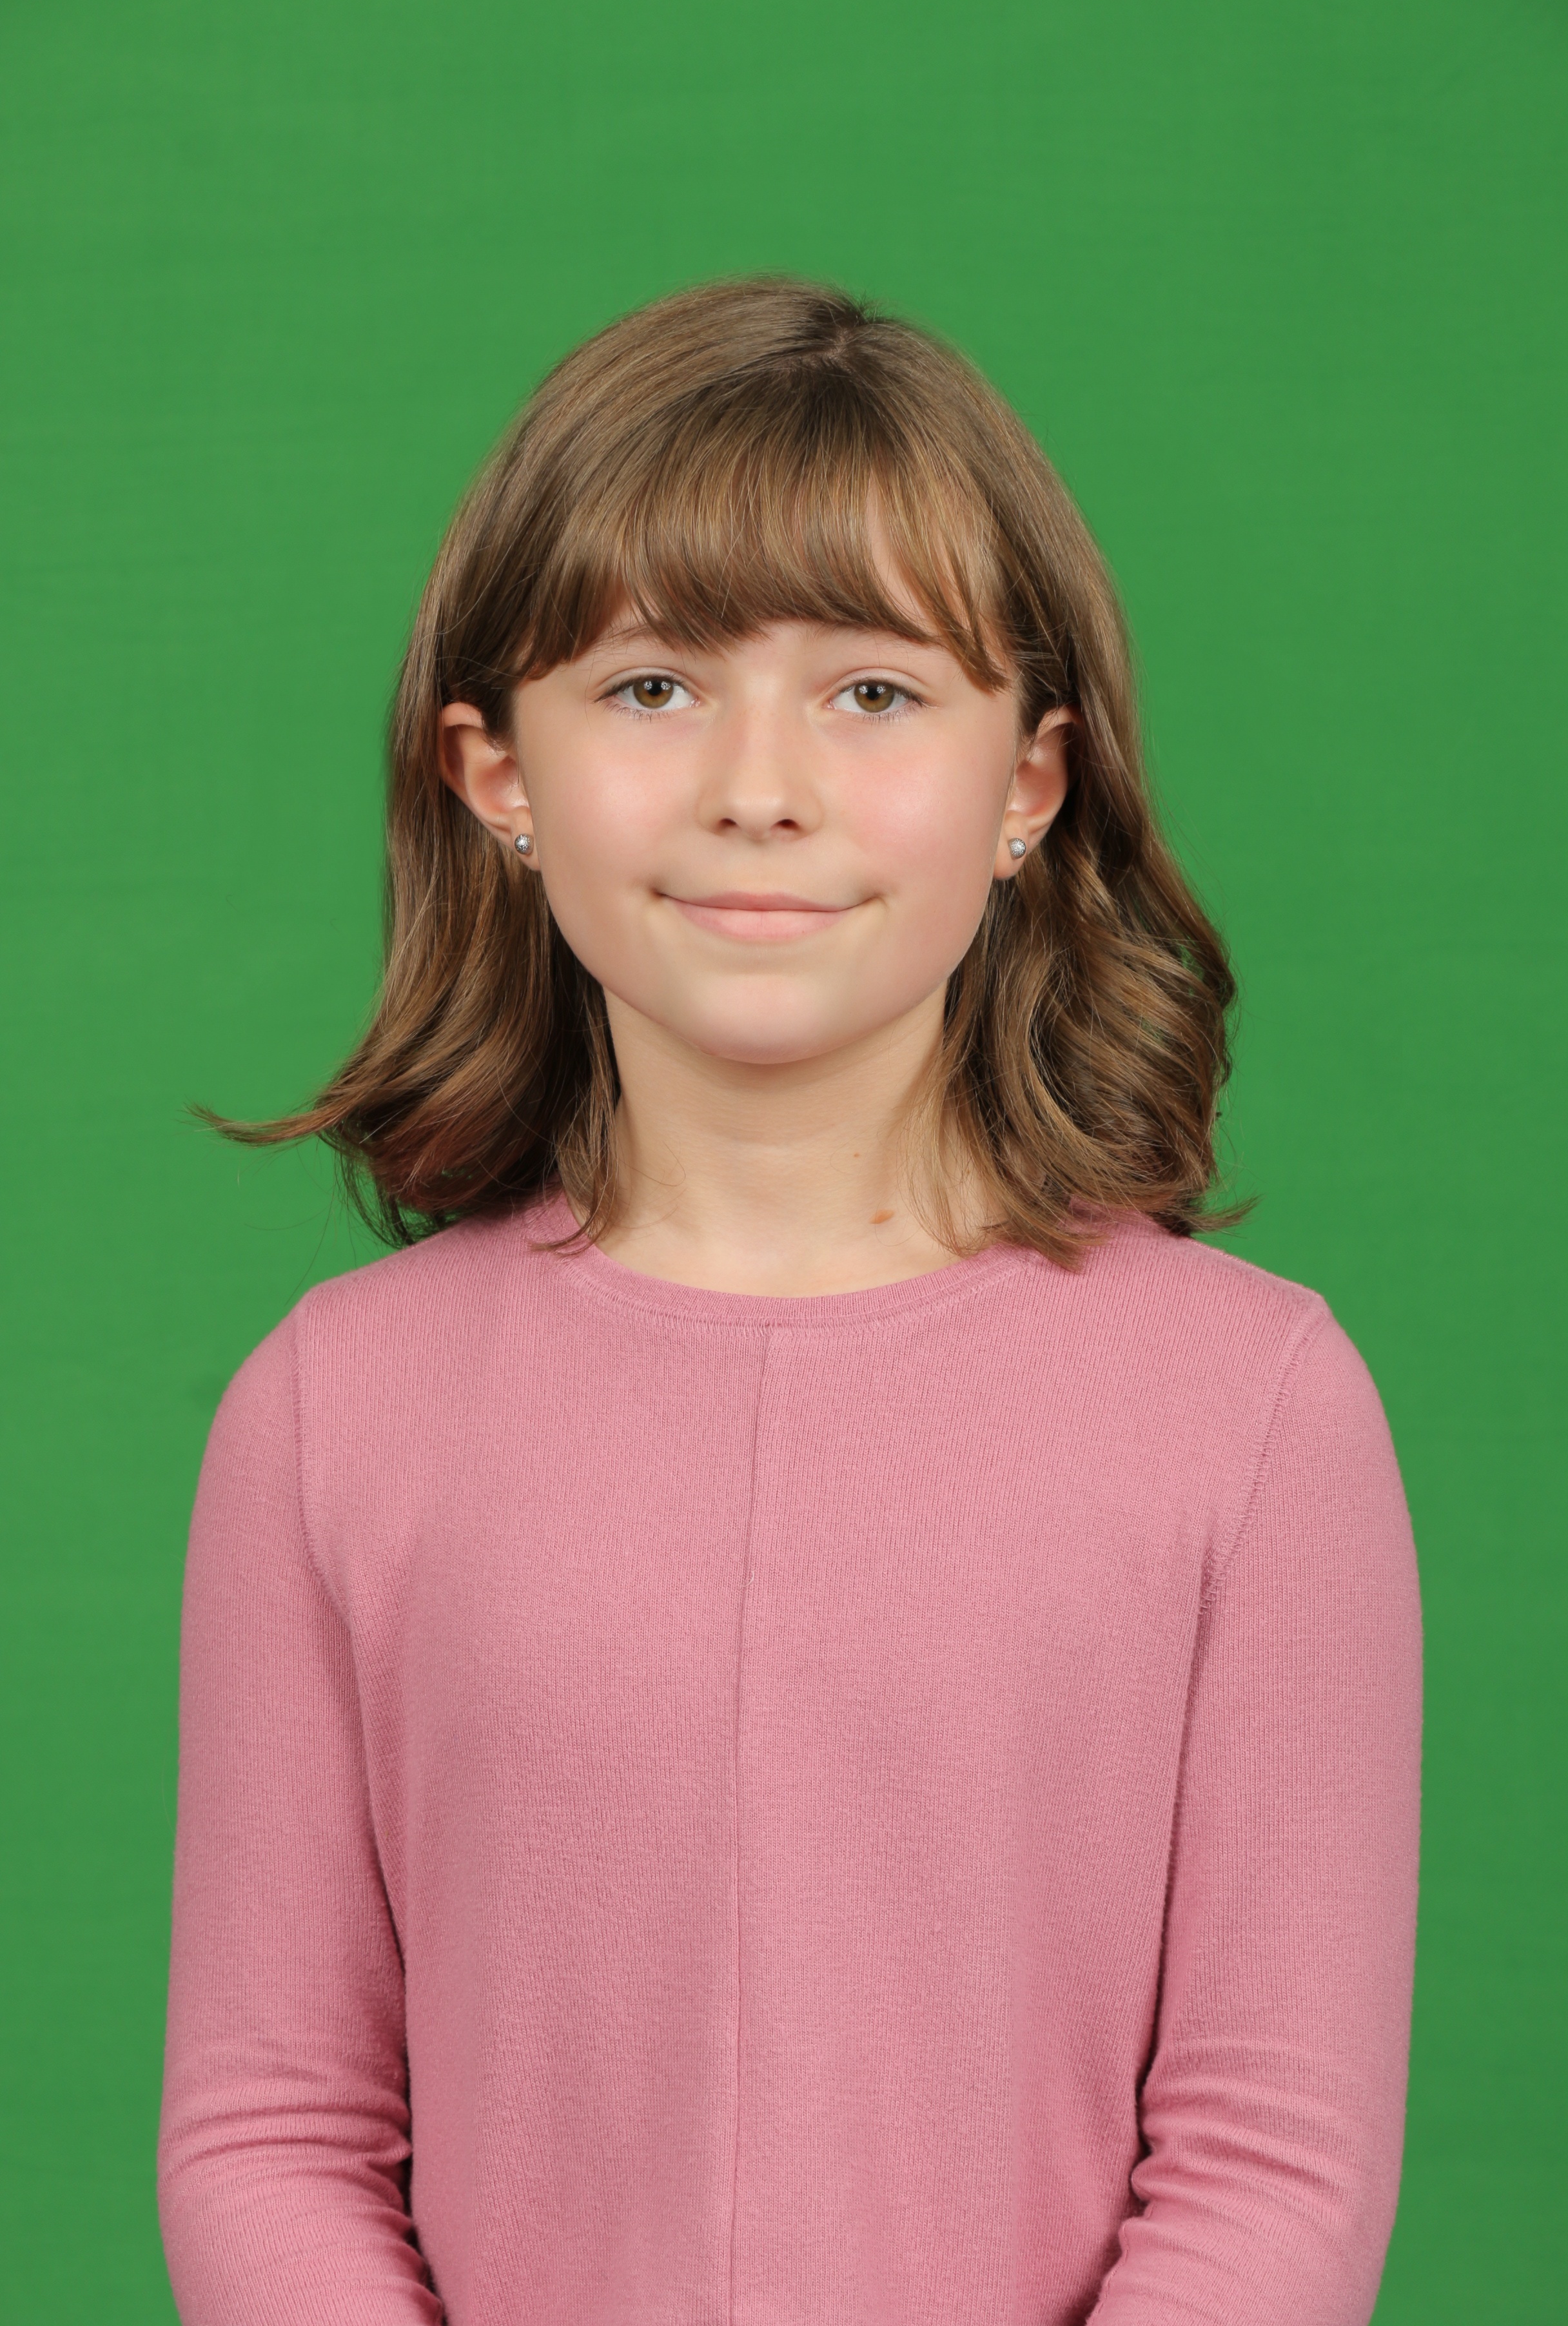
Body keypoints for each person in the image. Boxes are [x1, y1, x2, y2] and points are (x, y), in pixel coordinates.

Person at [157, 278, 1422, 2326]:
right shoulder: (331, 1413)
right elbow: (269, 2127)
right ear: (496, 770)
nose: (762, 785)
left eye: (875, 691)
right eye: (654, 684)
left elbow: (1276, 2157)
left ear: (1029, 785)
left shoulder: (1258, 1408)